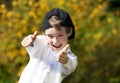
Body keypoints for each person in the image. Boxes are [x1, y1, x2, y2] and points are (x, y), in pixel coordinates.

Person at [18, 8, 78, 83]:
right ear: (44, 33)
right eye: (50, 36)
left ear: (69, 32)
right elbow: (34, 41)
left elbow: (71, 64)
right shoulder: (42, 43)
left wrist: (65, 60)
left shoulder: (69, 57)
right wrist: (28, 40)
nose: (55, 41)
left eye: (60, 35)